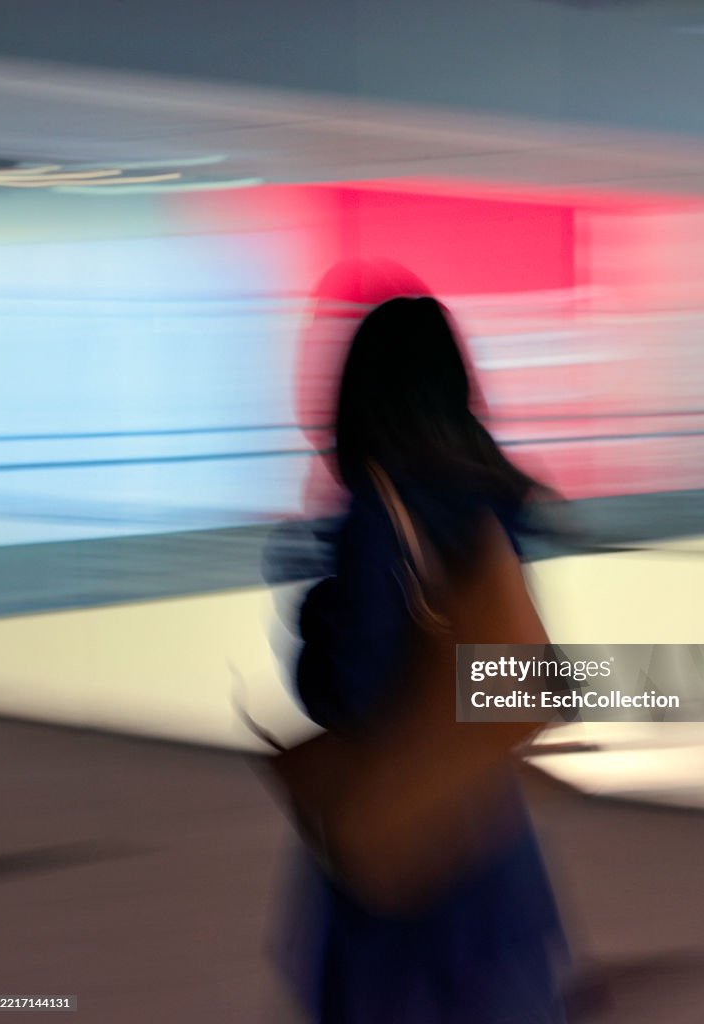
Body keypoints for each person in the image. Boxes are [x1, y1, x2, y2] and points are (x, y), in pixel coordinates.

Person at [274, 295, 576, 1024]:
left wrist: (316, 613)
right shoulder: (488, 506)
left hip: (400, 853)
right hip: (487, 836)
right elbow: (518, 676)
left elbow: (352, 691)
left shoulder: (378, 514)